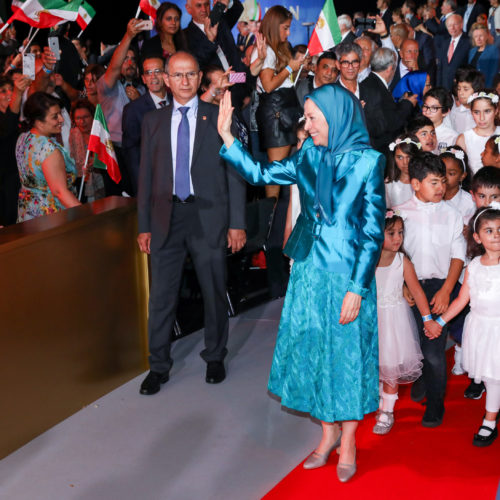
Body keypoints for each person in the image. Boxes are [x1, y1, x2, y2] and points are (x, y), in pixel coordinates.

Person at [218, 84, 386, 482]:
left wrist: (357, 289)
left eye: (312, 117)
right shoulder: (308, 153)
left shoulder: (369, 162)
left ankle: (348, 441)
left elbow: (372, 233)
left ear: (337, 116)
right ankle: (326, 436)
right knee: (314, 350)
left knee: (344, 358)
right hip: (309, 270)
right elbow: (261, 173)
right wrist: (228, 137)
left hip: (346, 275)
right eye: (305, 117)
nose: (304, 125)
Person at [137, 51, 246, 395]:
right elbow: (146, 178)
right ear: (166, 80)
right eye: (177, 75)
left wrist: (237, 223)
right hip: (165, 218)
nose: (184, 81)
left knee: (213, 290)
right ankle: (158, 365)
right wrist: (144, 225)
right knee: (161, 296)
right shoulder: (152, 122)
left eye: (190, 75)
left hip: (208, 216)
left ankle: (215, 356)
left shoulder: (219, 118)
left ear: (200, 79)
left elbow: (235, 172)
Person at [395, 152, 466, 427]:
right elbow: (396, 252)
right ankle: (423, 376)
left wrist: (448, 290)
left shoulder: (451, 213)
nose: (441, 188)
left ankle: (436, 406)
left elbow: (458, 256)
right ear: (415, 184)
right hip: (409, 287)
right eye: (434, 182)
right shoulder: (400, 212)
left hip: (440, 285)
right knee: (415, 344)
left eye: (443, 182)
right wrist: (403, 286)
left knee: (435, 349)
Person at [437, 204, 500, 446]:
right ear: (477, 237)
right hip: (482, 329)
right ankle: (490, 417)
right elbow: (462, 299)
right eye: (490, 231)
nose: (496, 235)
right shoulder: (473, 267)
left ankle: (490, 418)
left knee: (496, 376)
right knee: (492, 376)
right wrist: (440, 321)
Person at [373, 210, 434, 435]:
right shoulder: (368, 260)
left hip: (394, 320)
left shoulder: (402, 261)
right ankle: (379, 400)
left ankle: (387, 410)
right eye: (391, 233)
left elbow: (417, 292)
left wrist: (427, 319)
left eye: (400, 232)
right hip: (372, 320)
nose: (397, 238)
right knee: (375, 364)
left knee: (390, 365)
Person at [97, 18, 146, 196]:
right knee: (117, 202)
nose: (130, 62)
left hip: (139, 150)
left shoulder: (143, 88)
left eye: (133, 59)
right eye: (125, 59)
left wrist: (140, 100)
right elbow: (115, 67)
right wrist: (128, 36)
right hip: (115, 152)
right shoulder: (108, 86)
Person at [16, 92, 81, 222]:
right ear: (39, 122)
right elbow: (60, 192)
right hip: (50, 217)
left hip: (27, 213)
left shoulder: (23, 139)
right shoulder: (49, 150)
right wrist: (88, 217)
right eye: (55, 116)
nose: (61, 119)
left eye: (60, 114)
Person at [122, 56, 169, 196]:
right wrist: (141, 187)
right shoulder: (133, 109)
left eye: (157, 71)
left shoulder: (177, 101)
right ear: (143, 78)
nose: (153, 77)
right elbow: (131, 153)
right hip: (152, 182)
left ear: (166, 75)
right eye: (148, 73)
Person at [359, 47, 417, 154]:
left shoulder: (370, 83)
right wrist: (407, 104)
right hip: (378, 151)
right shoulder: (373, 88)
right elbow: (386, 124)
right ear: (390, 68)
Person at [0, 74, 30, 226]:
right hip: (5, 187)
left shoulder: (23, 121)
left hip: (21, 183)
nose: (8, 94)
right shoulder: (6, 121)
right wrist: (18, 93)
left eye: (11, 90)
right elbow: (8, 124)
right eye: (3, 91)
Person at [69, 98, 105, 203]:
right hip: (81, 182)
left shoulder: (101, 133)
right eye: (78, 118)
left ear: (93, 116)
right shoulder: (73, 134)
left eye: (86, 117)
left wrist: (97, 162)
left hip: (102, 183)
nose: (82, 122)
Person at [456, 91, 500, 174]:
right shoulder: (464, 139)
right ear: (471, 112)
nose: (482, 118)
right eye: (476, 112)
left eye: (487, 111)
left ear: (496, 110)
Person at [436, 14, 471, 90]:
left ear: (461, 25)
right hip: (444, 88)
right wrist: (438, 88)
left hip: (460, 88)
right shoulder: (444, 43)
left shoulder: (469, 42)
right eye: (449, 25)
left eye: (455, 24)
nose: (452, 28)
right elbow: (440, 68)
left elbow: (470, 67)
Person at [385, 135, 421, 206]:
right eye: (400, 157)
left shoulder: (425, 180)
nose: (405, 162)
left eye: (409, 157)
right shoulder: (389, 183)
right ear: (394, 158)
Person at [441, 146, 475, 222]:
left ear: (462, 176)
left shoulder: (470, 203)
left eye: (451, 174)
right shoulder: (432, 199)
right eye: (442, 171)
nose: (444, 177)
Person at [449, 67, 484, 134]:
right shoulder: (454, 113)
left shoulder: (483, 114)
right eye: (459, 89)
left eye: (466, 89)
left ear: (476, 90)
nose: (461, 93)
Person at [468, 22, 499, 86]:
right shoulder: (472, 51)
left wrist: (487, 89)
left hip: (486, 86)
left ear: (487, 36)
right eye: (476, 36)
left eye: (481, 36)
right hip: (473, 86)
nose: (478, 39)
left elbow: (493, 73)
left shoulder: (493, 50)